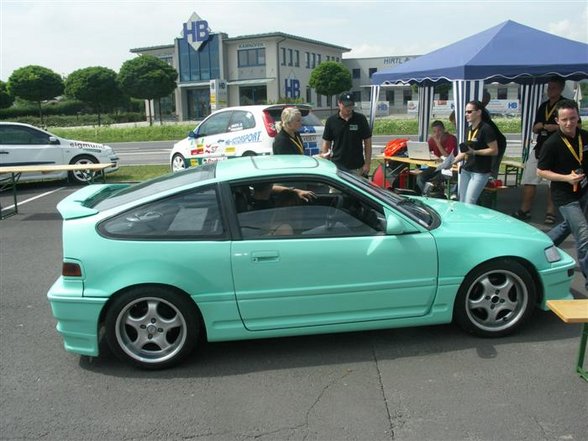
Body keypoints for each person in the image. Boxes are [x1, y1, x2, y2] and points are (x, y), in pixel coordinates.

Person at [537, 99, 588, 291]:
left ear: (578, 117)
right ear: (557, 120)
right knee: (583, 234)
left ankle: (541, 247)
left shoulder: (585, 136)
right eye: (564, 119)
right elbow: (541, 172)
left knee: (569, 225)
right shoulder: (552, 143)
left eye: (573, 118)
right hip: (564, 196)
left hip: (584, 191)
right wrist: (566, 178)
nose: (569, 123)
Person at [513, 78, 568, 224]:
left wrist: (556, 127)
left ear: (561, 89)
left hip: (558, 148)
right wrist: (537, 127)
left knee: (552, 183)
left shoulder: (565, 105)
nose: (550, 91)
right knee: (529, 179)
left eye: (553, 88)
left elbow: (575, 126)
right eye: (549, 88)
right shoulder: (543, 106)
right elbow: (535, 126)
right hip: (540, 147)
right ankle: (525, 209)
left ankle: (551, 212)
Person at [452, 100, 498, 204]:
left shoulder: (486, 129)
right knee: (462, 201)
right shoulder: (468, 129)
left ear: (478, 112)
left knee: (469, 202)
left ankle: (470, 220)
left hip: (480, 171)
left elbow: (494, 151)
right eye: (466, 112)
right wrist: (452, 162)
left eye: (469, 112)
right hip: (467, 169)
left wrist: (475, 152)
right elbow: (465, 151)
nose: (466, 114)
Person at [321, 92, 372, 176]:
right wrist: (326, 162)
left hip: (357, 166)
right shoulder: (331, 121)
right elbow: (327, 142)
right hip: (337, 166)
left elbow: (368, 141)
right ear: (339, 103)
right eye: (346, 105)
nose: (348, 108)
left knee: (357, 189)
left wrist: (367, 163)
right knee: (335, 189)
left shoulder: (360, 119)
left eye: (351, 105)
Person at [416, 120, 457, 194]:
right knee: (420, 177)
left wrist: (438, 143)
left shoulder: (451, 138)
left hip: (449, 167)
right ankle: (428, 196)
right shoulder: (432, 139)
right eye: (434, 132)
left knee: (435, 180)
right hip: (436, 166)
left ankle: (434, 194)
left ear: (444, 130)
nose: (437, 133)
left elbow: (447, 156)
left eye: (439, 131)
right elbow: (425, 150)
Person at [480, 90, 508, 179]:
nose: (486, 103)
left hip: (497, 143)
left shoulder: (483, 114)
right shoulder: (482, 112)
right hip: (493, 142)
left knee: (491, 169)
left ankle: (491, 188)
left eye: (487, 101)